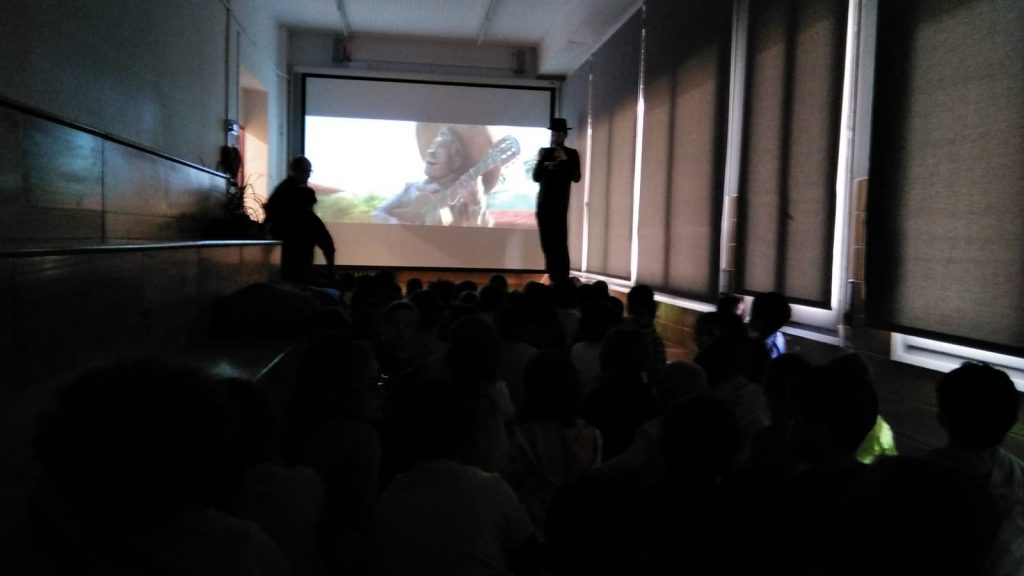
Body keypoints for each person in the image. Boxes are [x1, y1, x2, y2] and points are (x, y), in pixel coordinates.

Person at [373, 123, 499, 227]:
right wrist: (400, 227)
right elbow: (377, 213)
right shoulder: (409, 189)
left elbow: (483, 234)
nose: (431, 152)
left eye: (439, 148)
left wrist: (476, 204)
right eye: (431, 147)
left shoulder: (465, 196)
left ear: (456, 161)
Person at [264, 156, 336, 284]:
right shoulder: (309, 219)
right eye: (307, 172)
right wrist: (331, 273)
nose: (308, 175)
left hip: (281, 270)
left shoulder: (281, 193)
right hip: (301, 269)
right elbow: (328, 246)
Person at [532, 118, 580, 283]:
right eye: (553, 134)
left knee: (559, 240)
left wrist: (565, 159)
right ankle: (552, 274)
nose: (555, 137)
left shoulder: (572, 154)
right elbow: (536, 177)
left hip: (559, 205)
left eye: (558, 134)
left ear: (565, 135)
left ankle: (562, 276)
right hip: (543, 204)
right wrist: (540, 160)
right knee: (546, 241)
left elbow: (576, 177)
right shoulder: (545, 153)